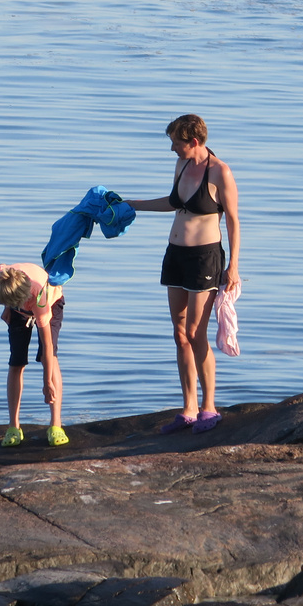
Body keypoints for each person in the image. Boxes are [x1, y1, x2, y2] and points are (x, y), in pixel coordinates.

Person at [126, 114, 241, 434]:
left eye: (176, 142)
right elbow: (174, 203)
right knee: (179, 334)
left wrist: (233, 266)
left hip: (205, 260)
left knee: (195, 333)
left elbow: (233, 220)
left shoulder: (221, 172)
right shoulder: (181, 165)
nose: (172, 148)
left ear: (193, 141)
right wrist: (131, 204)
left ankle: (209, 408)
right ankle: (188, 408)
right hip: (175, 255)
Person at [0, 262, 68, 447]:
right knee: (16, 362)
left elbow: (47, 345)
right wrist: (8, 307)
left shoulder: (40, 296)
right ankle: (14, 426)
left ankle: (56, 424)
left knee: (49, 357)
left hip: (50, 303)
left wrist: (47, 382)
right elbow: (2, 268)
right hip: (18, 303)